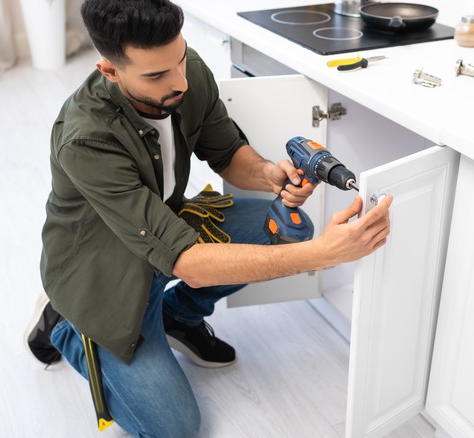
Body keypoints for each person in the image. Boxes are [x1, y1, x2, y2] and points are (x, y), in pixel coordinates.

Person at [24, 0, 393, 436]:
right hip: (101, 272)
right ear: (110, 71)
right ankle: (65, 323)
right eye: (156, 75)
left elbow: (227, 154)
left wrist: (271, 175)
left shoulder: (185, 72)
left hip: (161, 228)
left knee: (283, 231)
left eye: (179, 59)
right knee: (175, 426)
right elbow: (190, 264)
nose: (179, 81)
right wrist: (321, 256)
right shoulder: (87, 139)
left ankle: (176, 316)